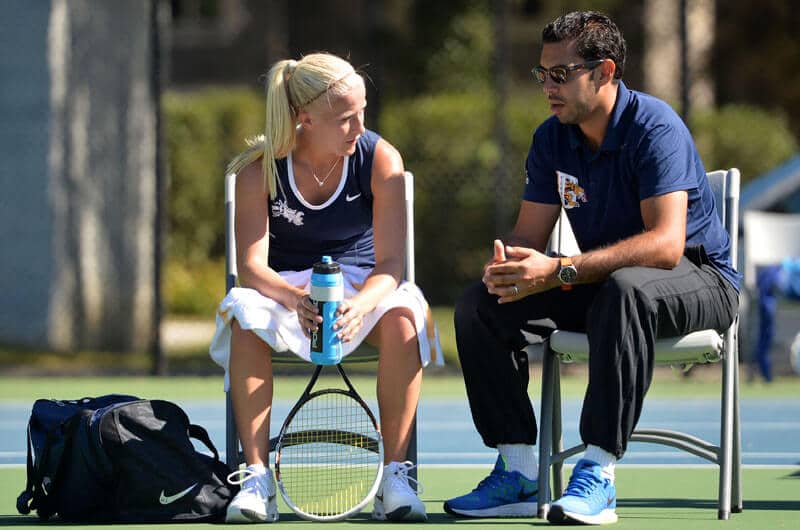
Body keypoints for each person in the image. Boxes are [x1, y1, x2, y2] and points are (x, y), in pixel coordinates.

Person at [443, 11, 739, 525]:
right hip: (606, 284)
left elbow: (666, 246)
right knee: (479, 305)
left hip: (701, 279)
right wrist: (510, 263)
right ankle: (518, 471)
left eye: (561, 74)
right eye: (543, 74)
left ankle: (598, 473)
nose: (547, 87)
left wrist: (558, 270)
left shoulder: (655, 126)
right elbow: (528, 236)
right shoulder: (551, 138)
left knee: (628, 290)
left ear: (603, 72)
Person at [208, 52, 442, 523]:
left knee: (403, 317)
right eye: (345, 119)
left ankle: (395, 477)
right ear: (305, 119)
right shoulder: (261, 169)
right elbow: (251, 268)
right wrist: (296, 300)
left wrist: (359, 305)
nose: (358, 127)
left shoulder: (380, 158)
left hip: (365, 284)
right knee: (244, 317)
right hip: (282, 287)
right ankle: (255, 478)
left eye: (363, 113)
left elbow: (392, 264)